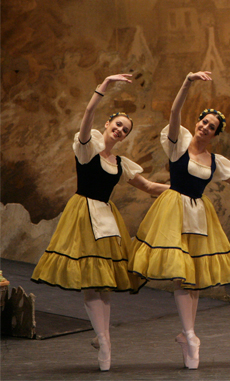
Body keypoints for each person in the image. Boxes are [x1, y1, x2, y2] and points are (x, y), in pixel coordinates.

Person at [128, 71, 230, 370]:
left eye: (211, 127)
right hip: (172, 211)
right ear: (197, 123)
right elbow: (174, 112)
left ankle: (189, 333)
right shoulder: (177, 145)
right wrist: (187, 82)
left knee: (194, 275)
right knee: (181, 273)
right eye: (203, 122)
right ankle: (189, 334)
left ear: (215, 134)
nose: (205, 127)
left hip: (198, 214)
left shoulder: (215, 161)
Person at [31, 74, 168, 371]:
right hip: (82, 215)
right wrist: (103, 87)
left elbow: (149, 187)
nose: (120, 130)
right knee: (92, 282)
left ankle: (103, 338)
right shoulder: (86, 148)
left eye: (125, 130)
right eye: (117, 125)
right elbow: (87, 115)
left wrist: (180, 190)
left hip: (106, 220)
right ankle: (104, 340)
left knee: (102, 282)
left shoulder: (119, 163)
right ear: (107, 124)